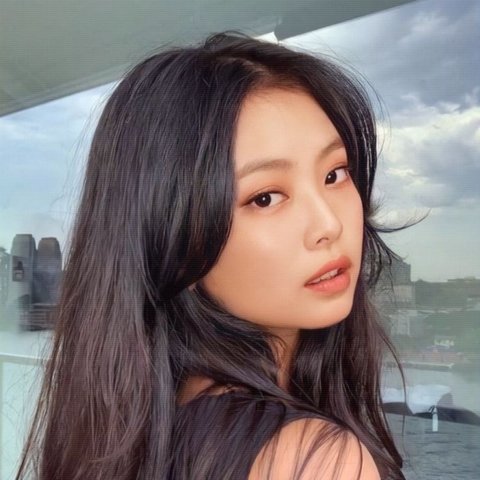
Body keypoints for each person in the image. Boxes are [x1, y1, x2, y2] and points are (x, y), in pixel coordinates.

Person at [16, 33, 406, 479]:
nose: (328, 224)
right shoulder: (313, 461)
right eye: (265, 198)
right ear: (172, 236)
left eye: (335, 173)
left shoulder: (142, 429)